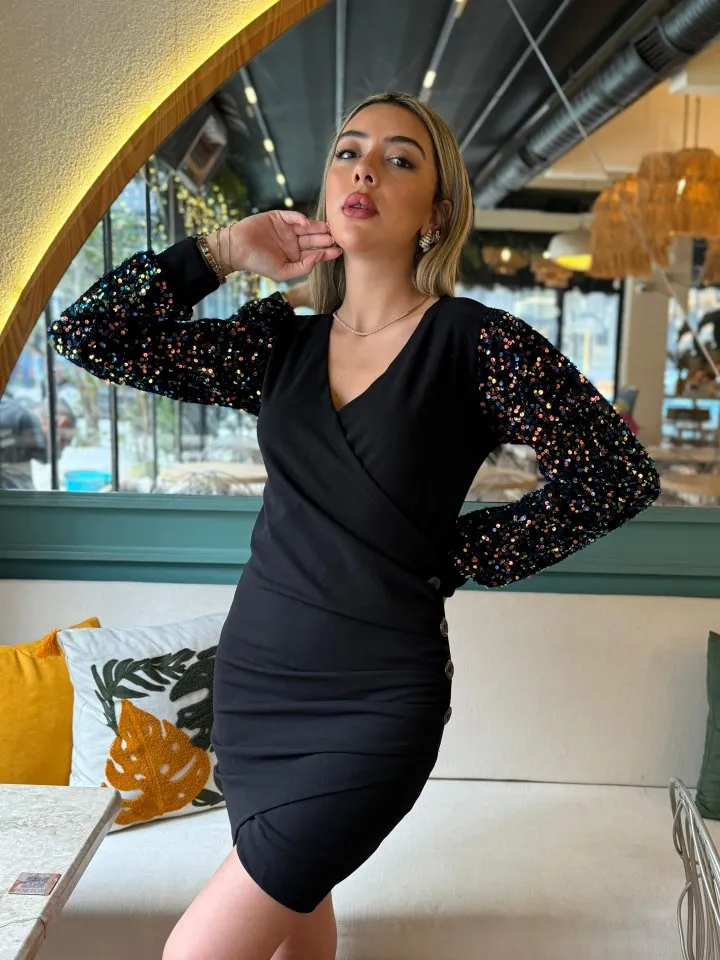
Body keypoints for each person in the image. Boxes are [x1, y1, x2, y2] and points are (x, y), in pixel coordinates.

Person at [49, 90, 660, 960]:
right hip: (255, 689)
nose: (365, 169)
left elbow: (615, 476)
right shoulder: (278, 346)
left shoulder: (478, 344)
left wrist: (459, 553)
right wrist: (224, 250)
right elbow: (89, 334)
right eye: (349, 151)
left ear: (436, 213)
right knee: (297, 934)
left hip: (375, 704)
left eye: (399, 159)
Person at [0, 394, 75, 489]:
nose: (59, 455)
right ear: (62, 422)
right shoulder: (20, 421)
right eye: (63, 442)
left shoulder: (18, 439)